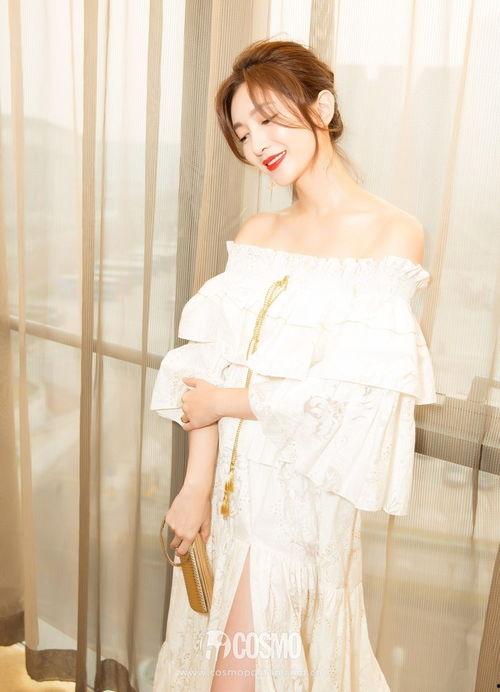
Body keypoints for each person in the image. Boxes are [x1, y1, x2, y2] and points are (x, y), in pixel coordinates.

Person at [150, 38, 437, 692]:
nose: (257, 144)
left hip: (301, 506)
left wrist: (227, 401)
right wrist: (195, 489)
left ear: (322, 107)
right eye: (243, 133)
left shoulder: (393, 234)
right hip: (227, 498)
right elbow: (206, 370)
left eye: (269, 119)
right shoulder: (258, 234)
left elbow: (352, 398)